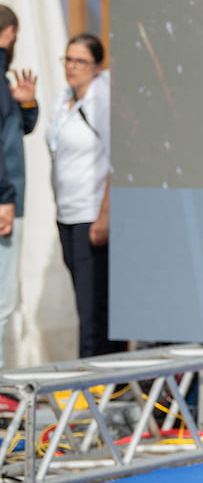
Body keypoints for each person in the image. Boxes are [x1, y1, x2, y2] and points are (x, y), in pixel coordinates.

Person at [47, 33, 119, 358]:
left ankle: (92, 382)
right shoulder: (64, 99)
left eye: (81, 61)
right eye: (68, 59)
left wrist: (104, 215)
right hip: (67, 213)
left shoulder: (101, 101)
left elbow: (117, 160)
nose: (72, 67)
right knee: (84, 299)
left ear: (97, 66)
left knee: (93, 304)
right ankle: (105, 379)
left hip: (91, 213)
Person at [0, 5, 39, 367]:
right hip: (5, 202)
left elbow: (13, 132)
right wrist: (6, 197)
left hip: (6, 196)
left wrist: (25, 105)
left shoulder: (3, 79)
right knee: (3, 300)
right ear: (9, 33)